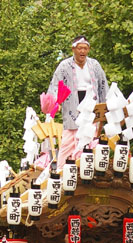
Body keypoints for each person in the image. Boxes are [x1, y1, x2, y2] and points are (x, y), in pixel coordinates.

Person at [48, 35, 109, 170]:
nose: (82, 51)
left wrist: (106, 106)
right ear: (73, 49)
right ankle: (62, 170)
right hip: (73, 106)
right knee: (69, 140)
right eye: (80, 48)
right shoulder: (64, 66)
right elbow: (55, 85)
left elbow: (103, 86)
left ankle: (86, 168)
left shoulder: (94, 65)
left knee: (90, 138)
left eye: (85, 48)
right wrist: (53, 104)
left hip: (91, 105)